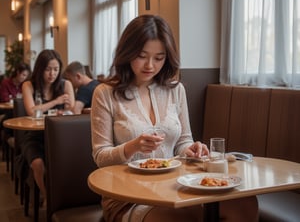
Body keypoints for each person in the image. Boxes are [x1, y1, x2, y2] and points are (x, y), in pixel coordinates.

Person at [91, 15, 258, 222]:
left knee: (244, 203)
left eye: (159, 58)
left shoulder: (176, 90)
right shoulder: (105, 93)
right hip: (127, 196)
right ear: (128, 52)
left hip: (174, 187)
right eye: (142, 56)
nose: (150, 65)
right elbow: (100, 157)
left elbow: (183, 141)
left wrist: (190, 149)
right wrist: (132, 147)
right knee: (179, 217)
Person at [21, 49, 75, 205]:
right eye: (48, 69)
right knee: (38, 164)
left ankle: (68, 195)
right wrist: (56, 101)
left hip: (59, 136)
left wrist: (66, 106)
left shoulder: (66, 84)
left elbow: (71, 109)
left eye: (56, 69)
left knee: (73, 160)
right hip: (34, 136)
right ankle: (49, 198)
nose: (52, 74)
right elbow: (31, 111)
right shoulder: (29, 85)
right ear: (40, 68)